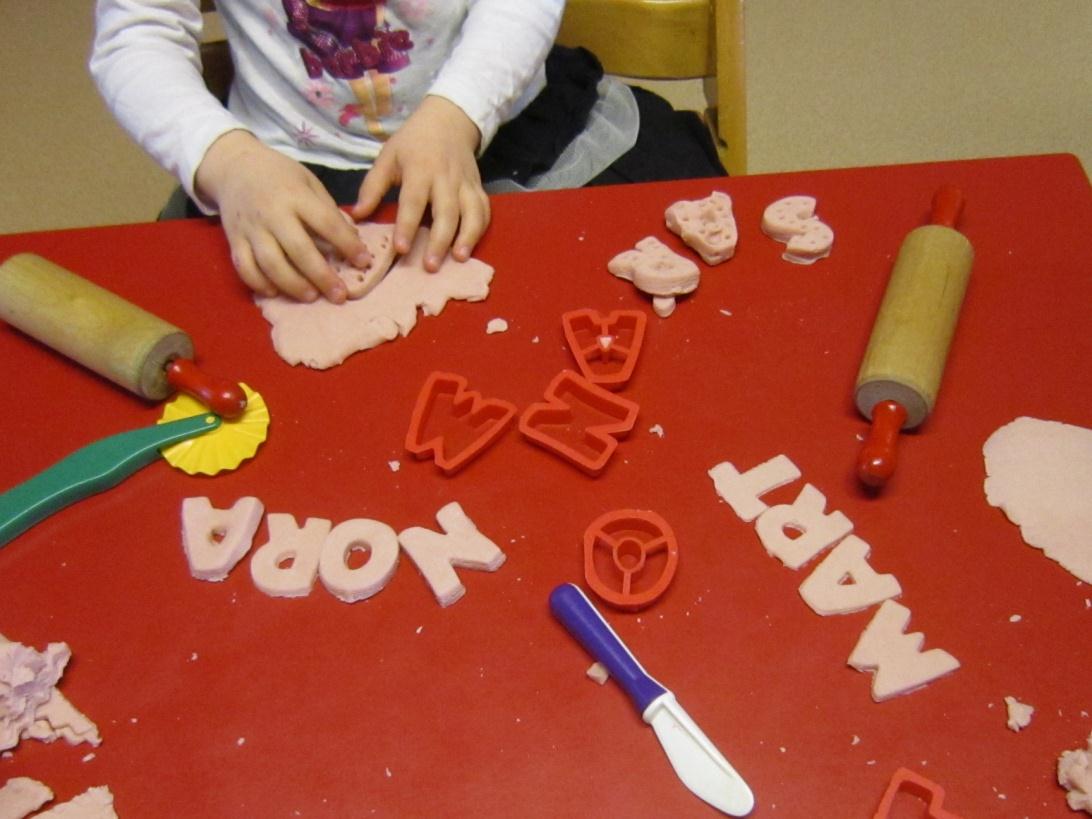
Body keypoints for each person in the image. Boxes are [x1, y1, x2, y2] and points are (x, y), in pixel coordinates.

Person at [91, 1, 725, 305]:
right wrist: (226, 161)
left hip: (511, 137)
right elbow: (135, 34)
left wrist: (458, 111)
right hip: (279, 176)